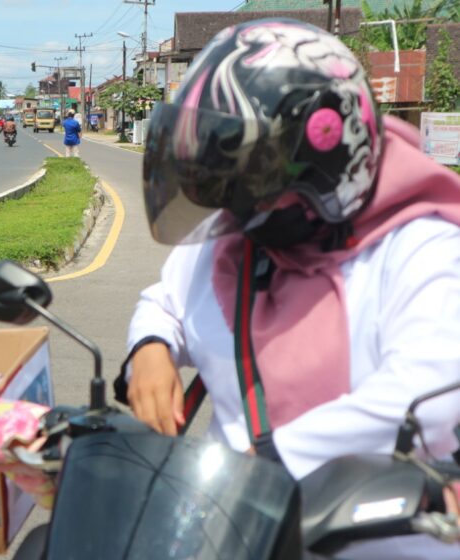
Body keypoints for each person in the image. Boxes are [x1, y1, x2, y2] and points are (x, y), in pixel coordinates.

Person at [116, 18, 460, 558]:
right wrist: (152, 349)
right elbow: (165, 301)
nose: (226, 198)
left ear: (322, 161)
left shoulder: (421, 249)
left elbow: (426, 398)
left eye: (248, 173)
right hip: (226, 531)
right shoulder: (240, 236)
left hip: (377, 539)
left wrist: (252, 473)